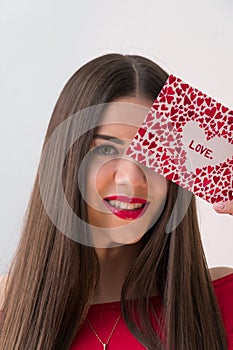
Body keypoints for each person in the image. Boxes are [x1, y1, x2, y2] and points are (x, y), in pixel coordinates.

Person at [0, 53, 232, 350]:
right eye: (107, 150)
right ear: (66, 160)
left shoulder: (223, 300)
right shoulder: (10, 311)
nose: (132, 179)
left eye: (153, 154)